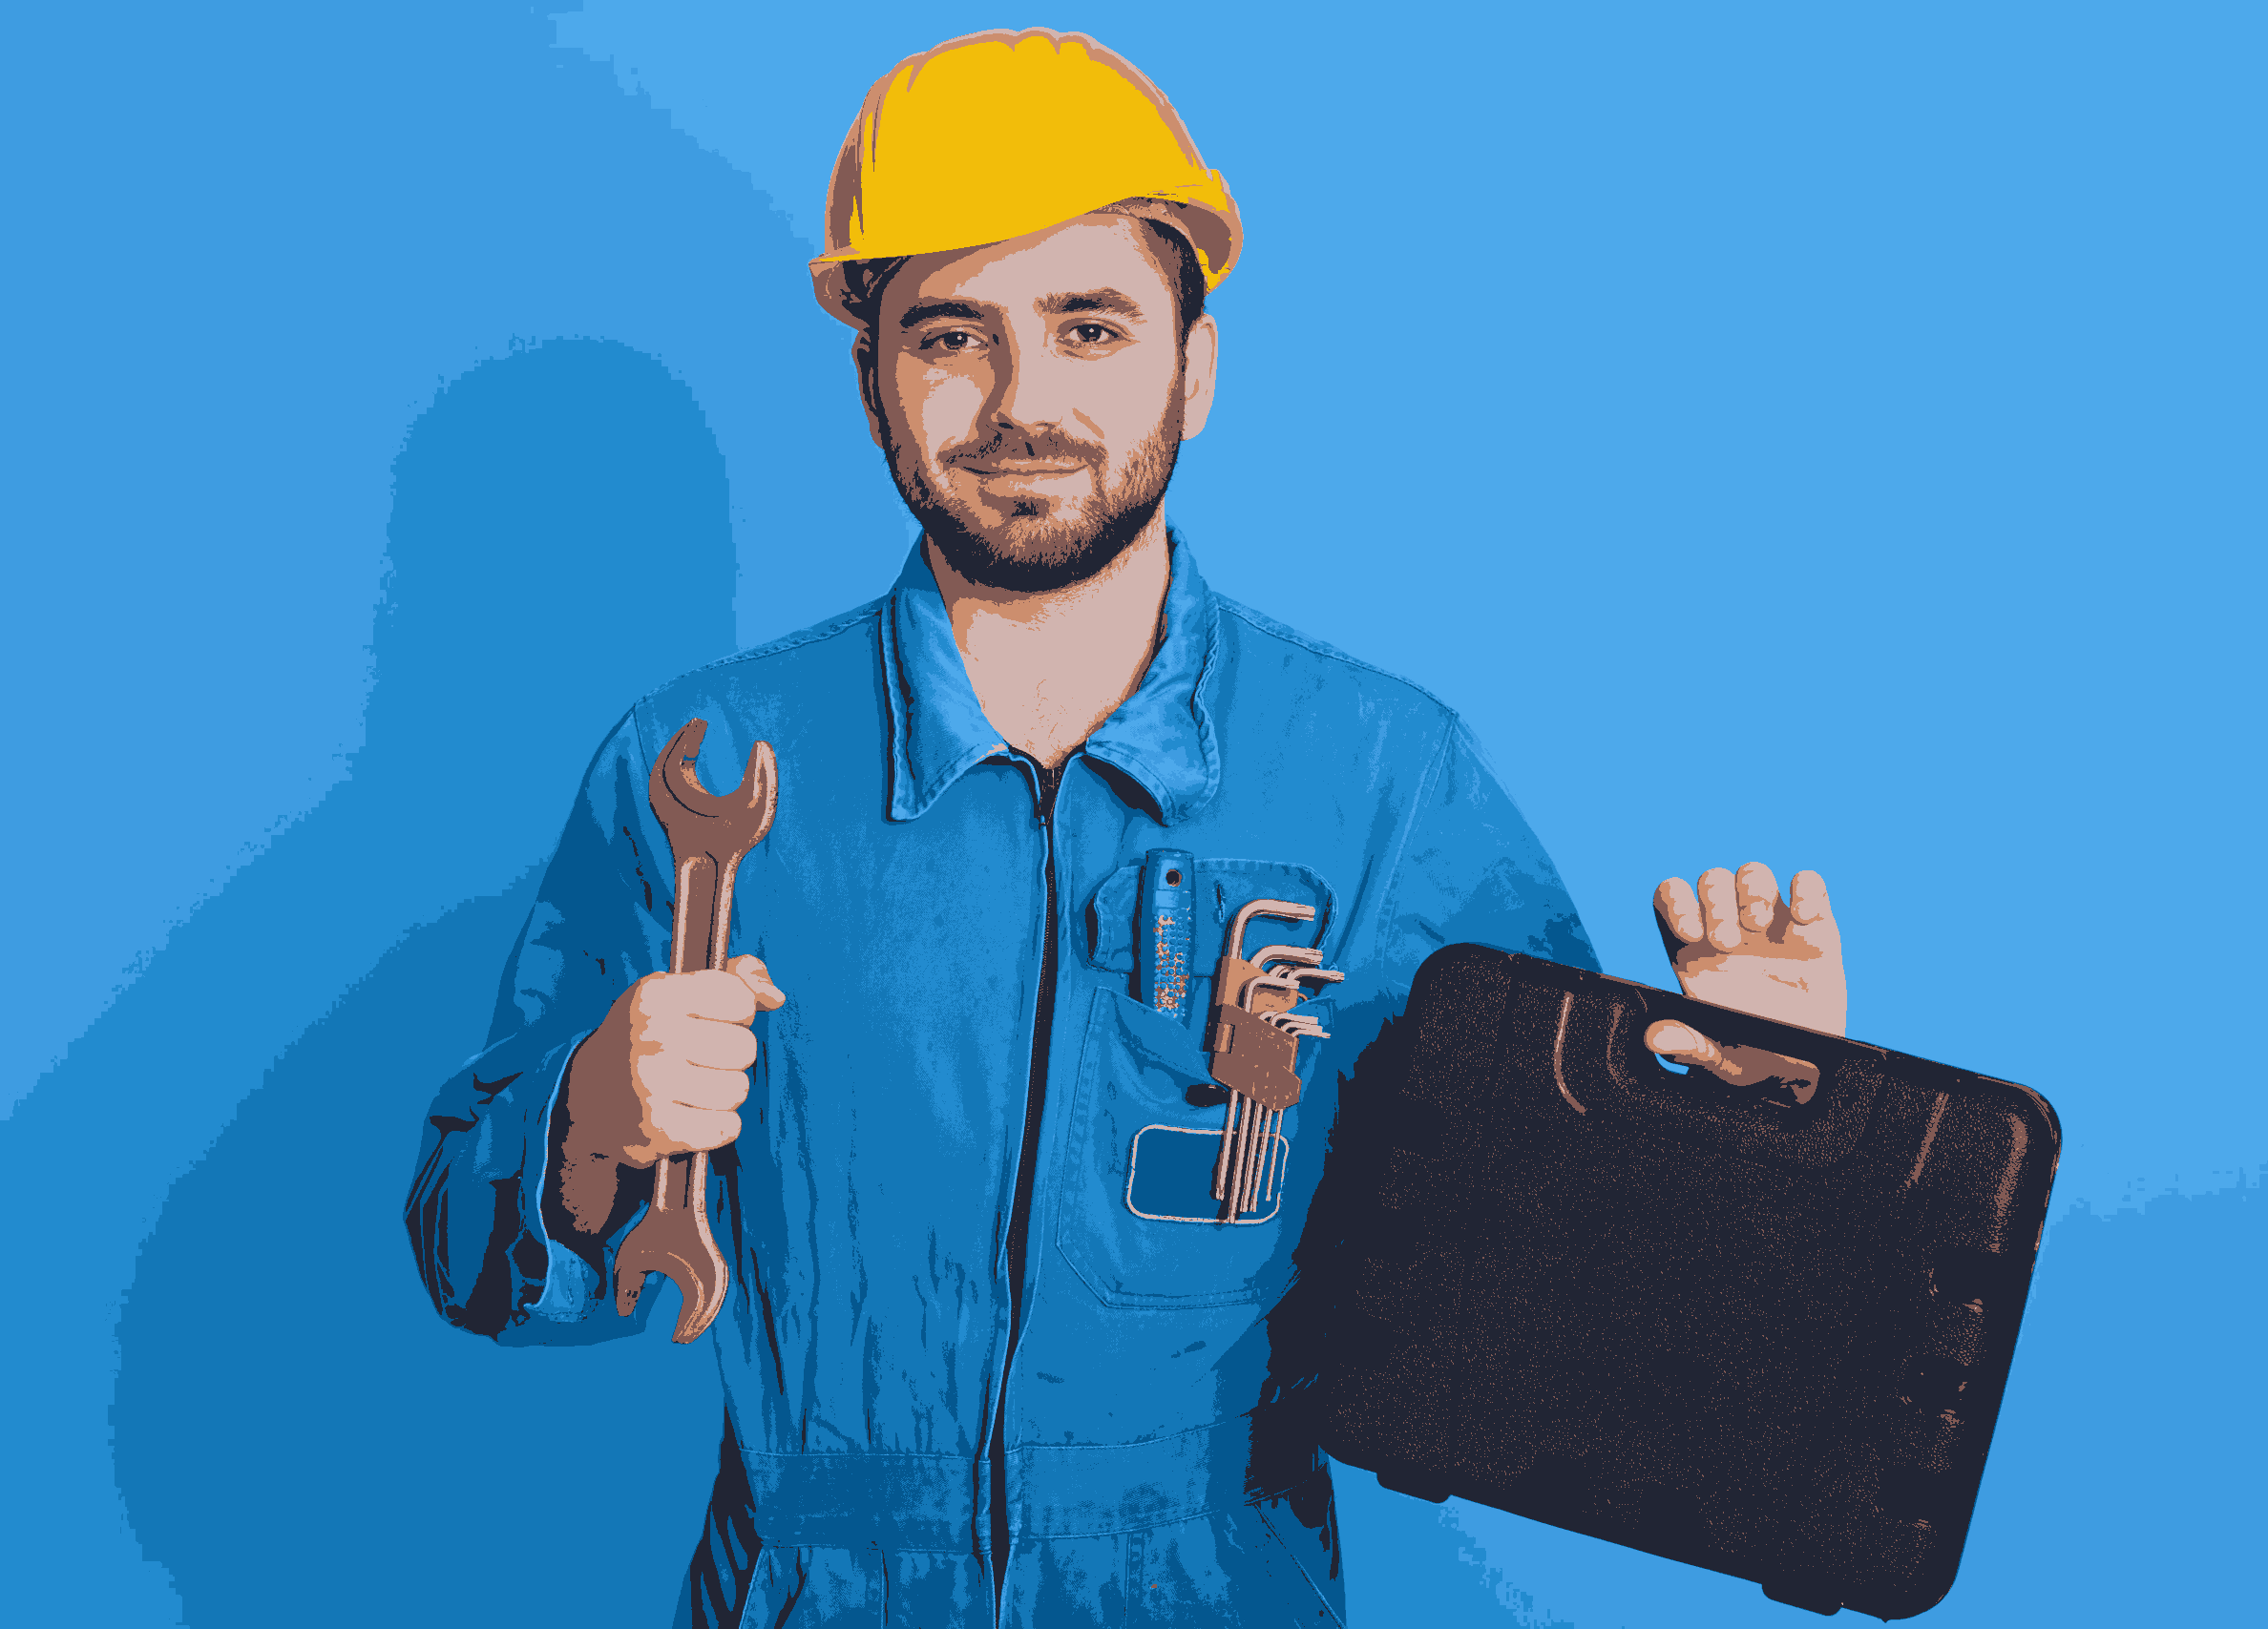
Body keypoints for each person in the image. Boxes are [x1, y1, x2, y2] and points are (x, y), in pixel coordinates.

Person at [407, 29, 1845, 1627]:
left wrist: (1760, 1135)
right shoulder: (701, 768)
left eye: (1089, 325)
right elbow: (467, 1253)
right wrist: (594, 1113)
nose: (1024, 402)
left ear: (1195, 366)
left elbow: (1575, 1343)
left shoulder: (1389, 779)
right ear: (871, 378)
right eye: (952, 333)